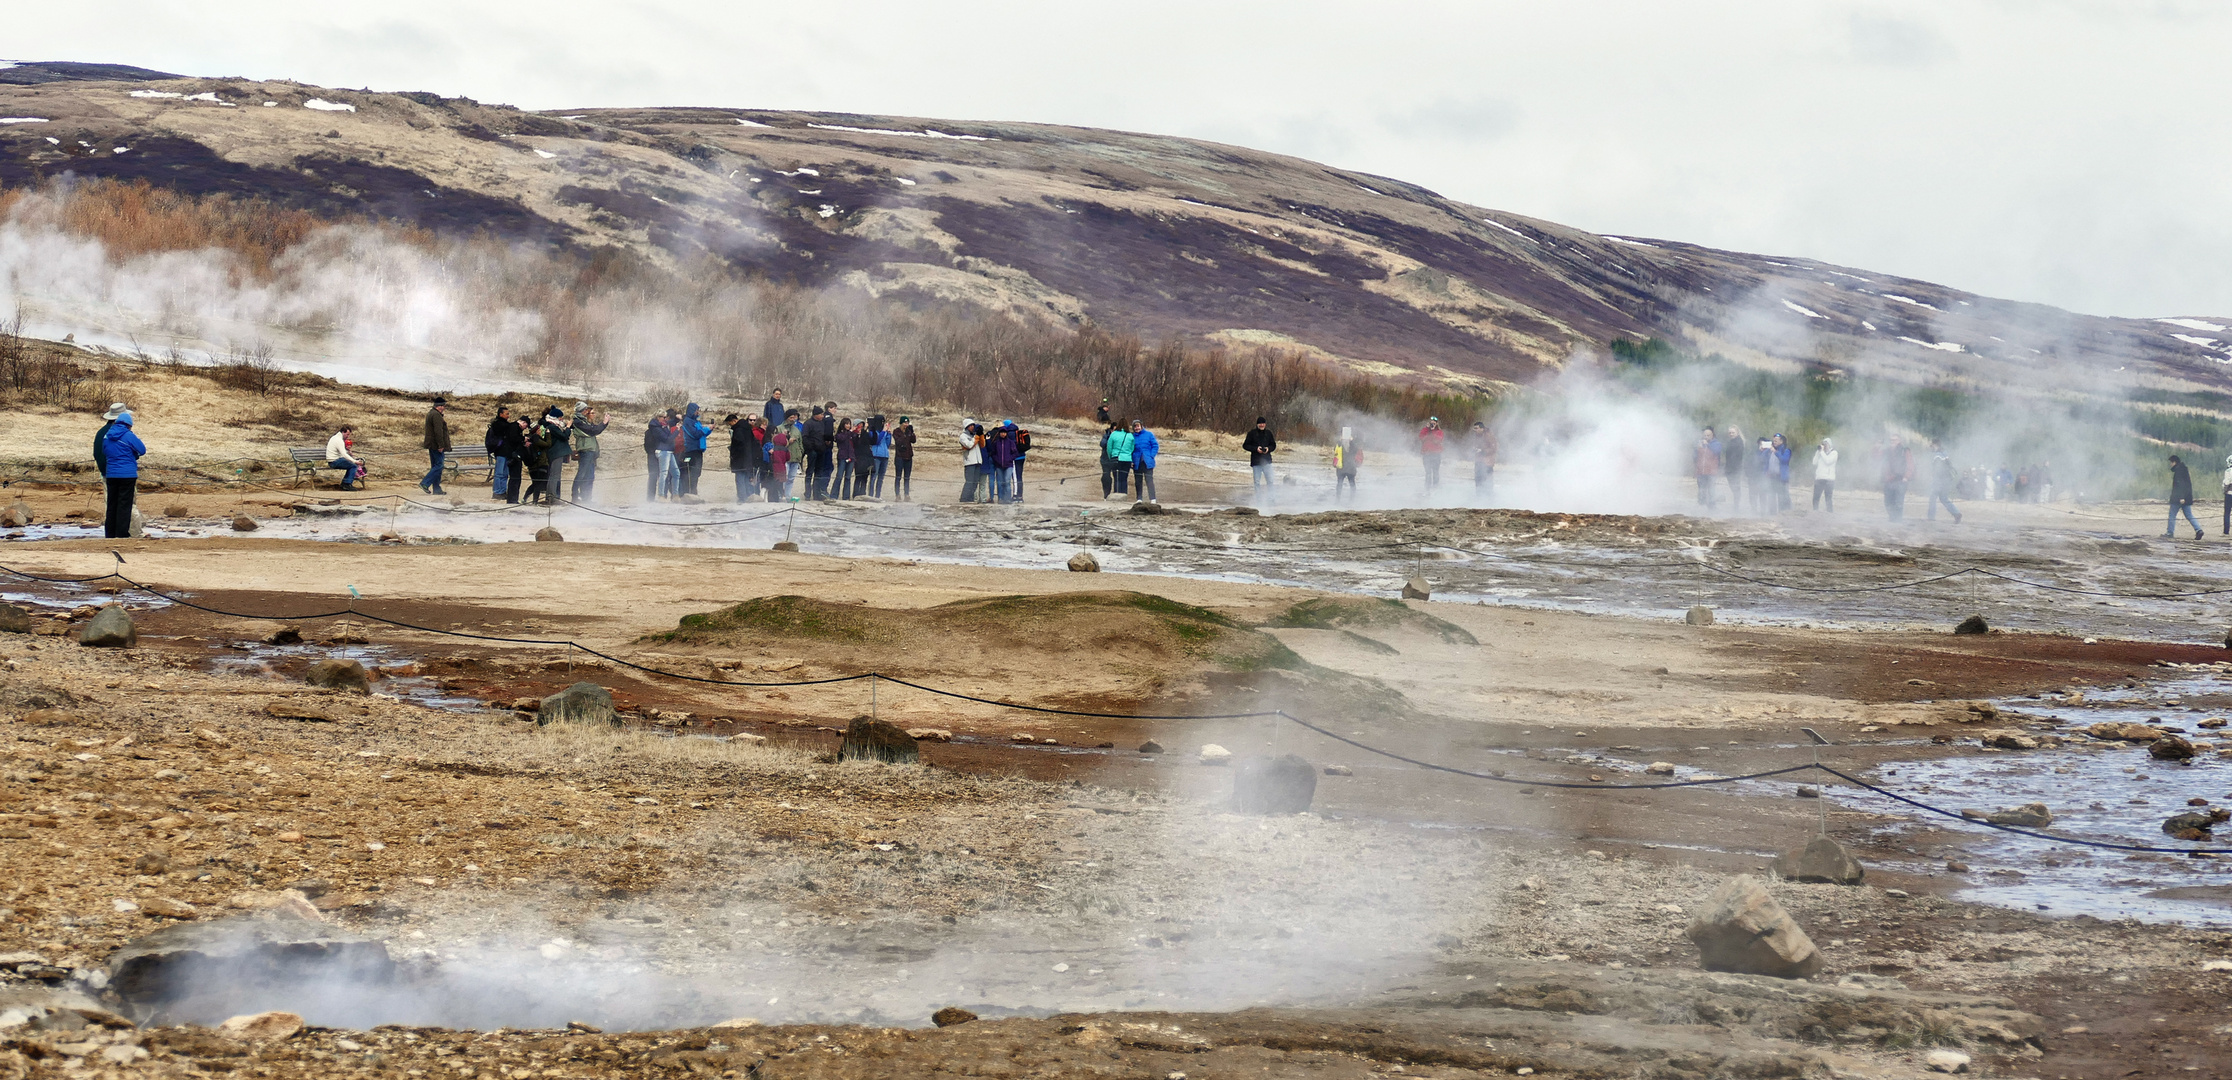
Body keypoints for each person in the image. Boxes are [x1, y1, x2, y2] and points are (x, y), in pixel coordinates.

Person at [100, 409, 146, 539]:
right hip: (127, 474)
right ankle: (121, 534)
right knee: (124, 505)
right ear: (129, 424)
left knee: (112, 504)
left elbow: (105, 451)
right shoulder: (128, 435)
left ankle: (110, 534)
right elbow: (142, 450)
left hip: (111, 474)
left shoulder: (107, 435)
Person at [569, 403, 606, 503]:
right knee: (582, 474)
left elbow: (594, 429)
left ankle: (586, 498)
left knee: (590, 476)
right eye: (587, 410)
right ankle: (575, 497)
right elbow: (592, 431)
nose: (588, 412)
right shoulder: (578, 421)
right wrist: (604, 423)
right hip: (586, 450)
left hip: (591, 451)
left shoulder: (584, 421)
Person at [488, 406, 523, 502]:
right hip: (500, 452)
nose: (508, 415)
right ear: (501, 414)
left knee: (504, 473)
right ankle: (497, 492)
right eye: (506, 413)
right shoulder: (497, 424)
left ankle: (502, 491)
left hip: (506, 452)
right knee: (499, 473)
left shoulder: (505, 424)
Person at [420, 397, 451, 495]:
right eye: (443, 406)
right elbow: (438, 432)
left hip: (432, 444)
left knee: (435, 466)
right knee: (439, 466)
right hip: (436, 445)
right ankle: (425, 483)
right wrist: (441, 445)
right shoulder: (436, 415)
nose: (444, 408)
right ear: (439, 406)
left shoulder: (431, 413)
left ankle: (437, 489)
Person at [679, 403, 711, 498]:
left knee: (697, 473)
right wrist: (706, 429)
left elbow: (701, 434)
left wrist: (709, 430)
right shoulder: (687, 421)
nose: (698, 412)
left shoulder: (697, 422)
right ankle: (687, 493)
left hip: (698, 450)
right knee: (689, 473)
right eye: (697, 410)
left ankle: (693, 491)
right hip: (690, 450)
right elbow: (695, 434)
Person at [1927, 440, 1962, 524]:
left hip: (1940, 480)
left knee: (1932, 498)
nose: (1930, 447)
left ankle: (1931, 517)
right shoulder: (1944, 453)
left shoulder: (1937, 456)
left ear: (1935, 445)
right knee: (1944, 498)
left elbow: (1938, 469)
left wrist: (1934, 478)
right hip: (1947, 480)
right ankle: (1956, 513)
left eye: (1931, 445)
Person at [2168, 454, 2203, 539]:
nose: (2170, 464)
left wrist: (2181, 497)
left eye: (2171, 462)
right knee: (2189, 515)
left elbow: (2181, 485)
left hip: (2179, 498)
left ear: (2174, 462)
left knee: (2172, 515)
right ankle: (2199, 530)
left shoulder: (2179, 471)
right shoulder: (2183, 469)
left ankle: (2170, 533)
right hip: (2186, 497)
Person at [986, 420, 1020, 503]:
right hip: (999, 463)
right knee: (1001, 481)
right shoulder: (998, 441)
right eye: (1002, 432)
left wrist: (1008, 458)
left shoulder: (990, 434)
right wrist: (997, 459)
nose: (1003, 434)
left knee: (999, 480)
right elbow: (994, 452)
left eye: (1004, 432)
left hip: (1002, 462)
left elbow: (1015, 453)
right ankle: (1001, 498)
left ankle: (997, 498)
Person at [1881, 434, 1913, 522]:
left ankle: (1897, 522)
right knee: (1888, 502)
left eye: (1894, 440)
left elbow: (1910, 464)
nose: (1892, 442)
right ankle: (1892, 519)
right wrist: (1876, 447)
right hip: (1889, 480)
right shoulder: (1887, 451)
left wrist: (1906, 477)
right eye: (1891, 440)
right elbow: (1877, 457)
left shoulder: (1905, 450)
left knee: (1898, 503)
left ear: (1899, 441)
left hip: (1900, 480)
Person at [326, 425, 366, 491]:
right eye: (347, 434)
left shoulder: (335, 438)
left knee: (351, 464)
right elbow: (344, 454)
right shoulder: (339, 440)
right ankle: (347, 484)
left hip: (334, 459)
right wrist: (355, 461)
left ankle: (345, 483)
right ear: (343, 432)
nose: (348, 436)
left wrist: (353, 459)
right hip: (334, 461)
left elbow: (343, 454)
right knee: (353, 466)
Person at [1243, 417, 1277, 492]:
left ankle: (1271, 499)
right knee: (1257, 482)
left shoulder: (1268, 433)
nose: (1262, 425)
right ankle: (1258, 499)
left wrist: (1268, 449)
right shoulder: (1251, 433)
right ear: (1257, 424)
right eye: (1260, 423)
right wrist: (1256, 449)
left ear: (1265, 424)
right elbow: (1245, 445)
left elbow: (1273, 445)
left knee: (1270, 481)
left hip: (1267, 461)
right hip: (1256, 462)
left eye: (1263, 423)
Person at [1130, 419, 1160, 503]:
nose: (1137, 428)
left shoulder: (1149, 434)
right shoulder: (1131, 437)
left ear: (1141, 426)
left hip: (1147, 461)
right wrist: (1131, 461)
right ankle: (1139, 498)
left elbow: (1155, 446)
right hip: (1136, 462)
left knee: (1149, 480)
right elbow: (1129, 450)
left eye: (1138, 426)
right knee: (1138, 481)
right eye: (1135, 426)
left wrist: (1151, 456)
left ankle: (1152, 498)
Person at [1720, 424, 1747, 512]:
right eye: (1730, 433)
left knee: (1735, 488)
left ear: (1737, 433)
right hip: (1730, 468)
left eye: (1733, 432)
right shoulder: (1732, 442)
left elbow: (1737, 457)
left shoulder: (1738, 442)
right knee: (1734, 488)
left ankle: (1737, 507)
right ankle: (1736, 506)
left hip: (1735, 469)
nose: (1731, 434)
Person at [1693, 427, 1721, 509]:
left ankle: (1712, 507)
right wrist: (1697, 448)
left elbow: (1716, 451)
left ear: (1712, 435)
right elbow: (1695, 457)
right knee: (1701, 490)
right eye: (1705, 435)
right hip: (1701, 471)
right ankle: (1701, 506)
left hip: (1711, 472)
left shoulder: (1716, 443)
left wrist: (1707, 444)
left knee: (1711, 490)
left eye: (1708, 435)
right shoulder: (1699, 443)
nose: (1706, 437)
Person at [959, 420, 987, 502]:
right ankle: (964, 498)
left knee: (975, 482)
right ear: (966, 427)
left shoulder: (975, 436)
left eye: (973, 425)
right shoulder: (963, 436)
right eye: (970, 425)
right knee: (969, 481)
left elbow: (982, 445)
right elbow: (969, 445)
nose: (972, 427)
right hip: (969, 461)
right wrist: (976, 437)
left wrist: (981, 435)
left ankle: (970, 497)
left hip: (978, 461)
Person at [1105, 421, 1134, 499]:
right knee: (1124, 479)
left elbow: (1109, 447)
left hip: (1116, 458)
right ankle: (1124, 496)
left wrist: (1111, 456)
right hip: (1127, 459)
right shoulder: (1130, 435)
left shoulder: (1114, 434)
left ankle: (1116, 497)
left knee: (1116, 478)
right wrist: (1128, 455)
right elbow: (1132, 448)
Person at [766, 421, 793, 501]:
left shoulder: (774, 449)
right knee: (780, 483)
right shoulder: (785, 450)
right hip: (782, 468)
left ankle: (773, 497)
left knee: (774, 483)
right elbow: (788, 458)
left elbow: (771, 458)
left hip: (774, 467)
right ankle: (781, 496)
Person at [891, 416, 916, 501]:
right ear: (901, 423)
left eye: (907, 423)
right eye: (905, 423)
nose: (906, 425)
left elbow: (913, 440)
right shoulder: (896, 431)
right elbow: (898, 441)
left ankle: (906, 494)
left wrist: (912, 432)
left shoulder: (909, 431)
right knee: (898, 477)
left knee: (907, 477)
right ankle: (897, 495)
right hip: (899, 457)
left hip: (908, 456)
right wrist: (905, 435)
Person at [866, 415, 891, 499]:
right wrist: (883, 432)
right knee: (874, 476)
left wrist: (889, 434)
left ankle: (878, 495)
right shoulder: (872, 431)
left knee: (881, 477)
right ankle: (871, 495)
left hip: (885, 455)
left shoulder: (884, 432)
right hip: (876, 455)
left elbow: (887, 444)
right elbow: (877, 441)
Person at [832, 418, 858, 499]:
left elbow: (856, 441)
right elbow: (840, 439)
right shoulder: (840, 434)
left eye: (849, 424)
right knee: (839, 476)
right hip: (842, 457)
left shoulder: (852, 434)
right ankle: (834, 495)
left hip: (851, 457)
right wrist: (850, 432)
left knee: (848, 477)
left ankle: (846, 496)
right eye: (846, 424)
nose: (848, 425)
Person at [1810, 437, 1837, 512]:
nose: (1824, 446)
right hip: (1819, 478)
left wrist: (1821, 452)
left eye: (1826, 444)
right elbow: (1814, 462)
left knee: (1828, 498)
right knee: (1816, 497)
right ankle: (1815, 511)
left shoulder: (1834, 453)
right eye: (1823, 444)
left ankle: (1829, 513)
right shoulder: (1820, 453)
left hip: (1829, 479)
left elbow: (1828, 461)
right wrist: (1818, 452)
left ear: (1830, 445)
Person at [1469, 421, 1496, 495]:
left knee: (1488, 480)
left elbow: (1494, 448)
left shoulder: (1489, 436)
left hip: (1487, 462)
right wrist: (1474, 449)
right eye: (1474, 428)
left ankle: (1489, 498)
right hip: (1478, 461)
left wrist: (1483, 451)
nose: (1475, 430)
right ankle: (1479, 497)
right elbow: (1475, 446)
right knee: (1478, 480)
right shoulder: (1476, 436)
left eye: (1476, 428)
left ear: (1482, 428)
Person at [1334, 426, 1362, 498]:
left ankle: (1346, 500)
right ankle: (1341, 500)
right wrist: (1342, 441)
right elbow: (1336, 450)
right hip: (1344, 467)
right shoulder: (1340, 445)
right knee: (1345, 484)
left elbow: (1355, 450)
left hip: (1347, 467)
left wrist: (1350, 441)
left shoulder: (1351, 445)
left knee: (1347, 484)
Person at [1418, 417, 1445, 490]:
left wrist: (1432, 432)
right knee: (1428, 472)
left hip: (1436, 454)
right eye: (1431, 423)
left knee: (1435, 472)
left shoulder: (1439, 432)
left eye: (1434, 423)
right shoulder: (1425, 430)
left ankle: (1435, 488)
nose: (1432, 425)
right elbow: (1421, 437)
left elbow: (1437, 440)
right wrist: (1427, 429)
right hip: (1426, 454)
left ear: (1436, 424)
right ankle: (1427, 488)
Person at [1768, 433, 1792, 511]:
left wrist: (1776, 452)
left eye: (1776, 440)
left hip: (1781, 478)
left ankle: (1784, 513)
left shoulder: (1786, 450)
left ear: (1781, 441)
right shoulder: (1771, 450)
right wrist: (1763, 450)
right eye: (1773, 440)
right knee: (1771, 496)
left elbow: (1784, 460)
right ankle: (1772, 514)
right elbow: (1763, 460)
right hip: (1772, 477)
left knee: (1782, 496)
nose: (1774, 442)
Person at [1012, 422, 1032, 501]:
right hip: (1022, 456)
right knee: (1019, 476)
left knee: (1015, 478)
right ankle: (1020, 496)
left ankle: (1016, 495)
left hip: (1015, 458)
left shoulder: (1010, 434)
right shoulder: (1019, 433)